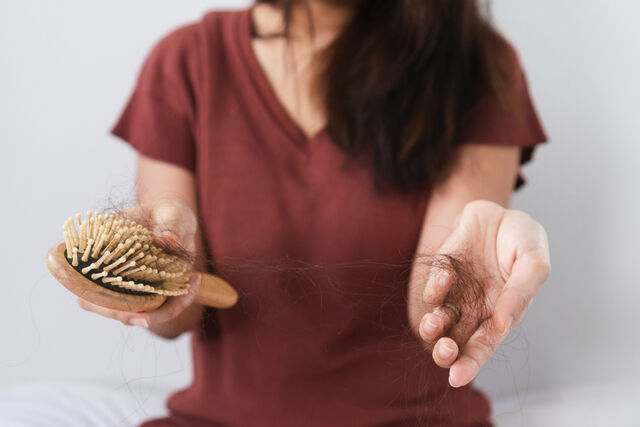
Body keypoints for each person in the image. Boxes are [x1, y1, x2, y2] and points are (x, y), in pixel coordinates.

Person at [80, 1, 551, 425]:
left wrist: (474, 274)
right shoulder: (187, 61)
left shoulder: (474, 67)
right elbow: (178, 314)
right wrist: (147, 280)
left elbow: (433, 314)